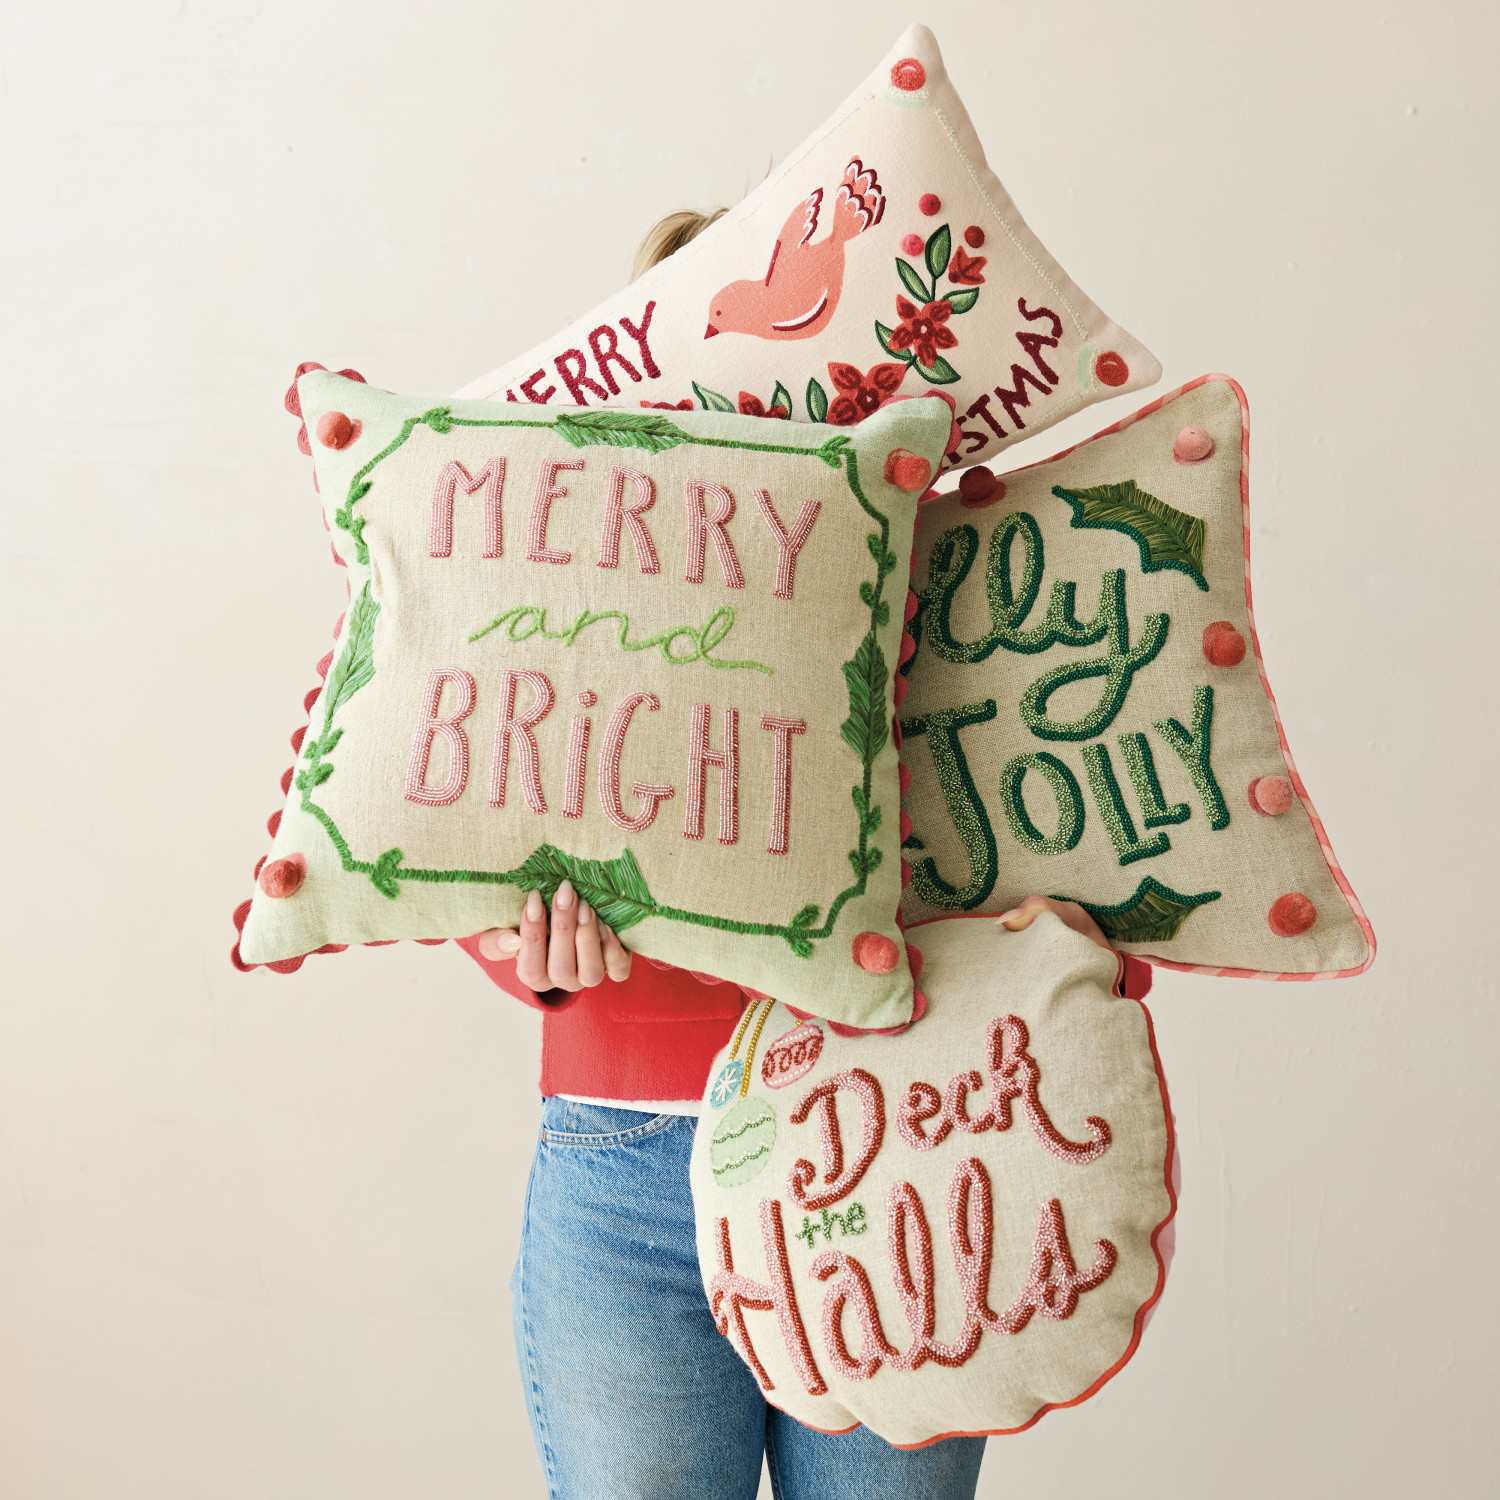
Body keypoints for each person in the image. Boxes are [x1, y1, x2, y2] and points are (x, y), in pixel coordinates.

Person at [465, 211, 1154, 1500]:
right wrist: (536, 959)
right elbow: (480, 833)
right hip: (626, 1174)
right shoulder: (579, 574)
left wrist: (1066, 950)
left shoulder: (941, 570)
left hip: (896, 1147)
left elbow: (1057, 828)